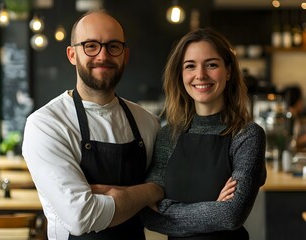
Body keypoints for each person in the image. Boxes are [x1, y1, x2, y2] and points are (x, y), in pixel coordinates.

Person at [22, 10, 164, 240]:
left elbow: (165, 199)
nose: (102, 55)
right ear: (72, 54)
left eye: (113, 46)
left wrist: (108, 194)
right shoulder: (46, 124)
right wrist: (150, 191)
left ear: (125, 55)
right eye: (90, 46)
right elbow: (81, 217)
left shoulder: (147, 122)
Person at [141, 28, 267, 239]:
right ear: (180, 75)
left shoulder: (247, 135)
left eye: (211, 64)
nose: (200, 75)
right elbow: (147, 215)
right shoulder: (167, 135)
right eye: (190, 66)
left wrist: (168, 209)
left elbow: (230, 215)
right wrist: (212, 209)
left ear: (228, 71)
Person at [283, 85, 306, 150]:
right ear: (297, 101)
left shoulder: (293, 115)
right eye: (301, 99)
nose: (303, 102)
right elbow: (289, 142)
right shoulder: (290, 117)